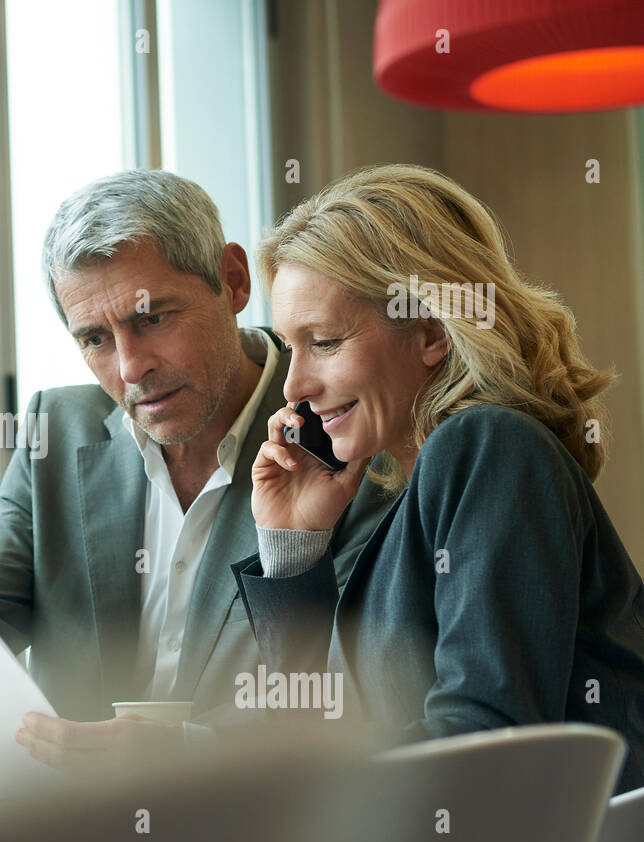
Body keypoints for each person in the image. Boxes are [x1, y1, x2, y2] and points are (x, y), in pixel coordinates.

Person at [0, 169, 392, 775]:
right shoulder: (57, 430)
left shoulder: (342, 432)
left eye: (153, 318)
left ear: (233, 282)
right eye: (95, 339)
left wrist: (188, 756)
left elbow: (353, 692)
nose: (131, 368)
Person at [230, 163, 644, 793]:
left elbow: (482, 744)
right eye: (291, 347)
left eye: (325, 342)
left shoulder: (489, 445)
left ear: (429, 331)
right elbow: (322, 728)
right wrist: (294, 548)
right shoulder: (434, 489)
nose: (293, 388)